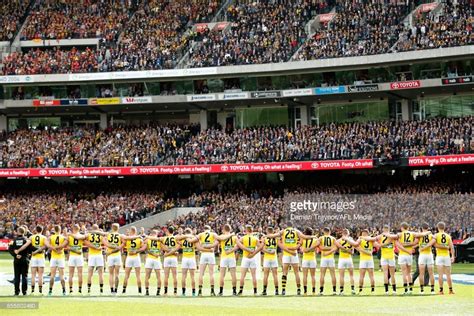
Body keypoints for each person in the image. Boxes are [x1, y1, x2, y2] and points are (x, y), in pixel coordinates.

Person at [396, 222, 429, 295]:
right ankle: (410, 289)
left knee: (404, 273)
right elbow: (421, 235)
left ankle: (405, 290)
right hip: (409, 255)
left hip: (402, 255)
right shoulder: (412, 233)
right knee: (409, 273)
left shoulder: (400, 234)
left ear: (402, 228)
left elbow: (396, 241)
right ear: (408, 227)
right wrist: (428, 231)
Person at [236, 225, 260, 296]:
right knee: (254, 276)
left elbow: (237, 243)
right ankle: (255, 291)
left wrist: (244, 248)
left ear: (246, 231)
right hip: (253, 258)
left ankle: (240, 291)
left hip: (245, 257)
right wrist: (254, 252)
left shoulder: (243, 238)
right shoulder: (255, 238)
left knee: (242, 275)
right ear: (252, 231)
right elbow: (260, 247)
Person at [432, 222, 455, 295]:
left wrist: (441, 246)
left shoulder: (436, 235)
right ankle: (450, 290)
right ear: (444, 228)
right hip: (447, 256)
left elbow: (434, 244)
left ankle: (441, 290)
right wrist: (453, 256)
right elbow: (452, 247)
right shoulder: (448, 236)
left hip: (439, 256)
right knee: (448, 274)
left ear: (437, 227)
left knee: (440, 275)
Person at [9, 226, 32, 296]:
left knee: (17, 276)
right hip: (25, 259)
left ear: (18, 232)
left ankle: (16, 292)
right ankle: (24, 292)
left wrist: (15, 255)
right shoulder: (26, 240)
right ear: (24, 232)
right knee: (24, 276)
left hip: (16, 260)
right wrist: (27, 257)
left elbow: (10, 250)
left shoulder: (14, 240)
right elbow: (30, 251)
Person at [46, 225, 68, 296]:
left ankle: (50, 291)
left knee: (52, 275)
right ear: (60, 230)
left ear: (54, 230)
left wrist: (54, 248)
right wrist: (58, 249)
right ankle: (64, 291)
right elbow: (64, 245)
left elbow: (47, 245)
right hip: (61, 257)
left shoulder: (51, 237)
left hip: (53, 257)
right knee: (62, 276)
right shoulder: (63, 237)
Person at [197, 225, 218, 296]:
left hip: (203, 254)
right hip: (211, 254)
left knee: (201, 273)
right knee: (211, 273)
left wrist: (204, 248)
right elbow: (217, 242)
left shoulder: (201, 234)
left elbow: (198, 244)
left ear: (204, 229)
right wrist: (213, 249)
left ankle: (200, 291)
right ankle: (212, 291)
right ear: (210, 229)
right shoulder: (213, 234)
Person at [377, 225, 398, 295]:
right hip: (391, 256)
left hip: (384, 257)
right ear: (389, 229)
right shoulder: (392, 236)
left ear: (383, 229)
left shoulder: (381, 236)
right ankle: (394, 291)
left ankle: (386, 291)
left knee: (385, 274)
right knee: (392, 274)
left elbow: (374, 239)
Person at [122, 226, 143, 294]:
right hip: (136, 257)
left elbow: (123, 242)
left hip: (129, 257)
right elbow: (143, 247)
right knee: (138, 275)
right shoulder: (139, 239)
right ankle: (140, 291)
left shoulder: (127, 239)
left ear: (131, 231)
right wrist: (137, 250)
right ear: (135, 231)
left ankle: (124, 290)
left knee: (126, 275)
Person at [217, 224, 238, 296]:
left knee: (222, 275)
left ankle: (221, 291)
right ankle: (234, 291)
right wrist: (231, 250)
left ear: (224, 229)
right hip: (231, 257)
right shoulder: (234, 237)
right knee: (233, 275)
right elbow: (237, 246)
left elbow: (220, 240)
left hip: (224, 257)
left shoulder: (221, 236)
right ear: (230, 229)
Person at [103, 223, 124, 295]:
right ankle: (116, 290)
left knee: (111, 274)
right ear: (118, 228)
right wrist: (118, 247)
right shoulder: (120, 235)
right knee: (117, 274)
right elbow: (123, 243)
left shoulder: (108, 235)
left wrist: (109, 247)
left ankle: (111, 290)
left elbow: (105, 243)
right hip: (117, 255)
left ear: (112, 228)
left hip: (110, 255)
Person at [356, 229, 378, 294]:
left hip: (363, 259)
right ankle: (373, 291)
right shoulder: (371, 239)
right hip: (370, 259)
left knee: (361, 276)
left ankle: (360, 291)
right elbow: (377, 245)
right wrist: (370, 251)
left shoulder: (360, 239)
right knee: (371, 276)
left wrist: (361, 250)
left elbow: (355, 245)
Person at [178, 228, 199, 296]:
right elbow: (197, 245)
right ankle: (193, 292)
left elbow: (177, 240)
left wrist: (182, 245)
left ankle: (183, 292)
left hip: (185, 258)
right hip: (192, 258)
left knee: (184, 276)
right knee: (192, 276)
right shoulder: (193, 238)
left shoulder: (183, 238)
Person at [67, 224, 87, 294]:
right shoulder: (81, 236)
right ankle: (80, 289)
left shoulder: (69, 236)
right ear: (79, 229)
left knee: (71, 274)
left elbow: (68, 247)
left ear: (73, 229)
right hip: (79, 256)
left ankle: (70, 289)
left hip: (72, 256)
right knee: (80, 274)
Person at [259, 227, 279, 296]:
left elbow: (261, 248)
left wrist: (268, 251)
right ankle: (276, 291)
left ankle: (264, 291)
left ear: (267, 231)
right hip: (274, 257)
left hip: (267, 258)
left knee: (265, 275)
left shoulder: (264, 238)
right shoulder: (275, 238)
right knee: (275, 275)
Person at [86, 224, 106, 294]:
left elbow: (85, 242)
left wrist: (93, 246)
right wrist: (100, 247)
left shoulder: (88, 235)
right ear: (98, 229)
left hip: (92, 255)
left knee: (90, 274)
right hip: (99, 255)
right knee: (101, 274)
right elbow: (105, 243)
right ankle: (101, 290)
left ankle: (88, 289)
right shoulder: (100, 236)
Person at [318, 227, 338, 296]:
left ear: (324, 231)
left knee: (322, 274)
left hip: (324, 258)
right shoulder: (333, 238)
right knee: (333, 274)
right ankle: (334, 291)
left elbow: (320, 247)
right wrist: (330, 250)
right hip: (331, 258)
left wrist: (326, 252)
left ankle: (321, 291)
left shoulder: (321, 238)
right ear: (330, 232)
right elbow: (336, 247)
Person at [417, 223, 435, 294]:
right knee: (431, 273)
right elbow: (433, 242)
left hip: (422, 255)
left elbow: (415, 240)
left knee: (421, 273)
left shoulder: (420, 235)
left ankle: (422, 290)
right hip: (429, 254)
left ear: (422, 228)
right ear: (428, 228)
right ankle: (432, 290)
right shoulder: (431, 235)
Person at [142, 229, 162, 296]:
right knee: (158, 276)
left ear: (151, 234)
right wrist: (158, 254)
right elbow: (162, 250)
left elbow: (146, 249)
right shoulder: (159, 240)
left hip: (149, 259)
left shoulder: (148, 240)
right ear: (156, 234)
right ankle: (158, 292)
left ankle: (147, 292)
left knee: (147, 276)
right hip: (156, 259)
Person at [337, 229, 356, 295]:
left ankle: (341, 291)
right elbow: (352, 252)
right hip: (349, 259)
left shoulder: (339, 240)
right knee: (351, 275)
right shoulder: (351, 240)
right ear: (348, 233)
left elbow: (335, 246)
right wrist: (348, 251)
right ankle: (353, 289)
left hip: (342, 259)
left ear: (342, 233)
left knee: (341, 276)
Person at [300, 227, 318, 296]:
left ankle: (305, 292)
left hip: (305, 259)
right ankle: (313, 291)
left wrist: (305, 249)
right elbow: (316, 250)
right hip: (312, 258)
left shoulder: (303, 239)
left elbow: (302, 250)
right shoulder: (315, 239)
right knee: (313, 276)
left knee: (305, 276)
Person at [29, 225, 47, 295]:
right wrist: (40, 249)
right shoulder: (44, 237)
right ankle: (40, 292)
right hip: (41, 257)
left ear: (36, 230)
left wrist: (34, 251)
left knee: (33, 275)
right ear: (42, 230)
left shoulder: (31, 237)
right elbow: (45, 246)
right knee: (40, 275)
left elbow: (28, 245)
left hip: (34, 257)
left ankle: (32, 291)